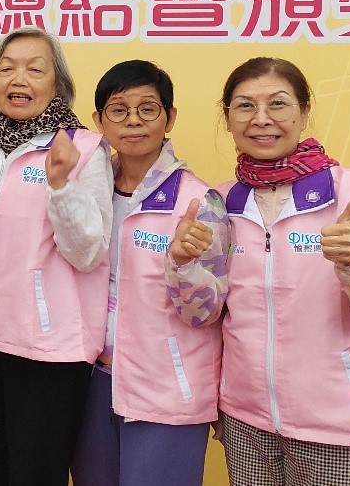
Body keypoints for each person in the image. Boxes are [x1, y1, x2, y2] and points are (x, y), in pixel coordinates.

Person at [216, 57, 350, 486]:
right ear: (228, 117)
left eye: (277, 104)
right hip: (245, 421)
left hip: (338, 425)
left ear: (304, 110)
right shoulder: (221, 202)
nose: (261, 119)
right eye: (245, 106)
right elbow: (213, 312)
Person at [70, 60, 228, 486]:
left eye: (147, 108)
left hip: (166, 390)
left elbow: (206, 312)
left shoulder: (198, 201)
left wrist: (182, 264)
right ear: (99, 121)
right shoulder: (87, 191)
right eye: (119, 110)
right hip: (92, 383)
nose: (133, 120)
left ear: (169, 118)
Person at [0, 25, 112, 486]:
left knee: (36, 474)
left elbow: (89, 252)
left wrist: (61, 185)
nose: (18, 80)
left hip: (52, 347)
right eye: (6, 69)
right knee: (1, 471)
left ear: (58, 83)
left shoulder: (83, 148)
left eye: (35, 69)